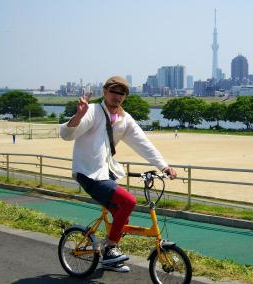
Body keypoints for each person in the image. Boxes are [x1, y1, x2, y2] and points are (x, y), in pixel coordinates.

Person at [60, 76, 177, 272]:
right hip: (88, 173)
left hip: (107, 173)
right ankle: (110, 248)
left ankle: (109, 257)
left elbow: (143, 143)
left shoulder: (125, 119)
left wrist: (164, 166)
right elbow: (66, 135)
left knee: (122, 215)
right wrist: (78, 116)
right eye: (114, 91)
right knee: (129, 201)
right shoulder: (93, 111)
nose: (117, 96)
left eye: (122, 93)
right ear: (105, 92)